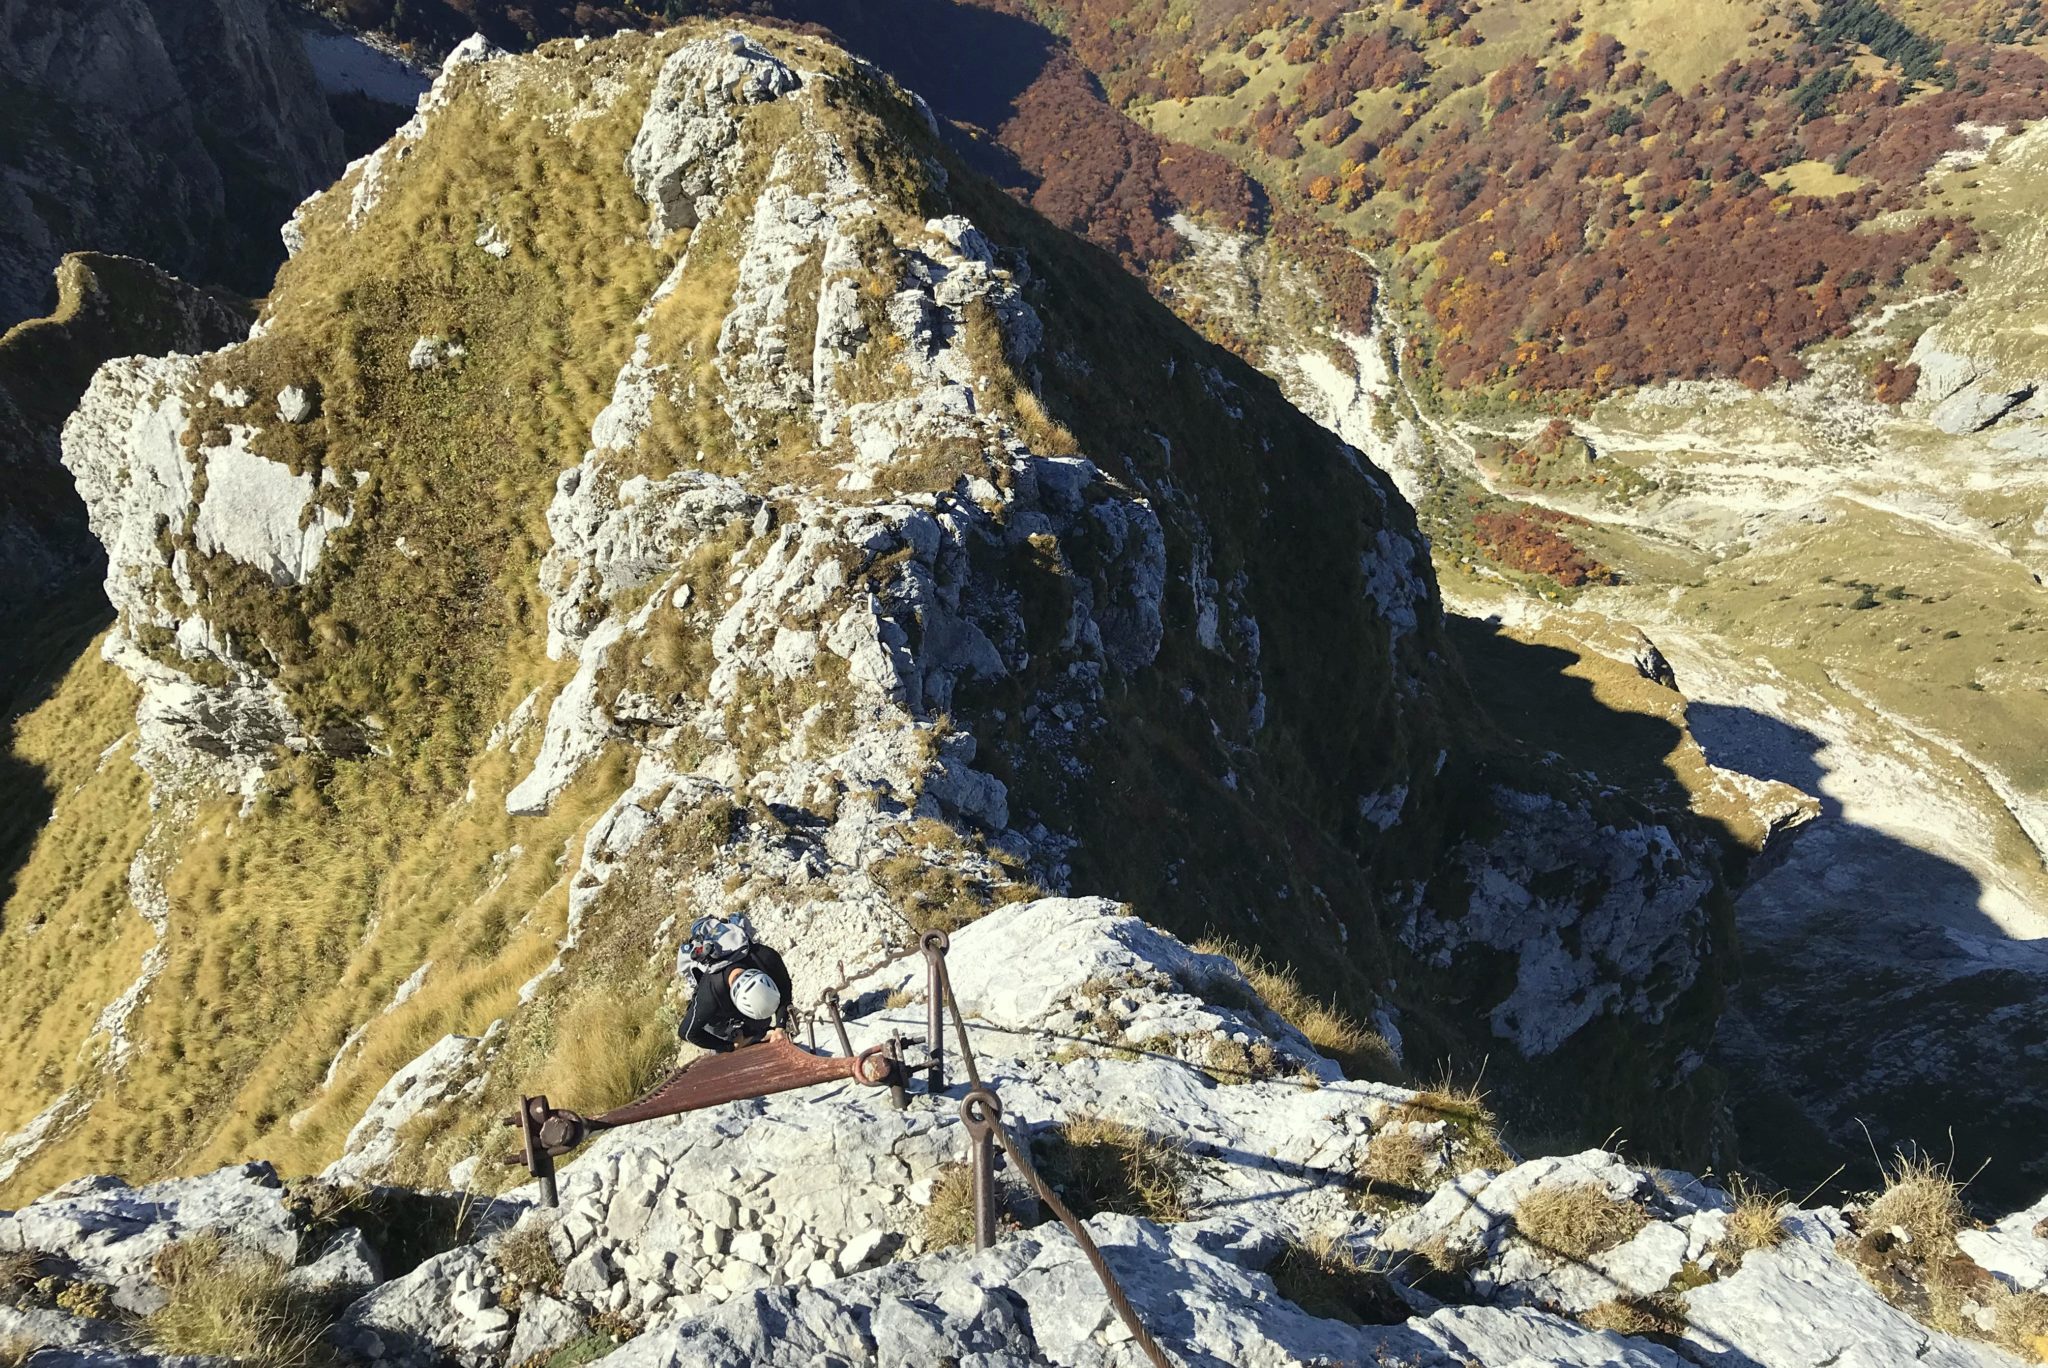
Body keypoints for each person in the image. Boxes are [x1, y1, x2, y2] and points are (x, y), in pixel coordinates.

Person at [677, 916, 793, 1053]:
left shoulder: (766, 957)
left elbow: (785, 991)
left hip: (745, 1005)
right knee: (717, 1034)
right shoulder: (711, 991)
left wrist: (780, 1027)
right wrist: (730, 1046)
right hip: (719, 1014)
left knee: (761, 1023)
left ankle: (755, 1031)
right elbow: (687, 1032)